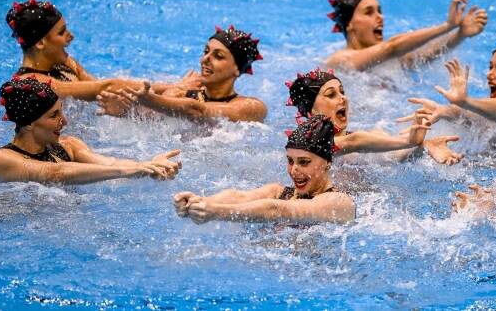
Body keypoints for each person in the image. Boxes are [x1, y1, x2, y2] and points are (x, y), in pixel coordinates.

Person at [0, 78, 181, 184]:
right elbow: (53, 172)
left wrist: (148, 167)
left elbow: (111, 164)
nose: (65, 120)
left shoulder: (69, 146)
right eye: (54, 116)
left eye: (61, 111)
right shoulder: (0, 159)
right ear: (28, 123)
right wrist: (128, 170)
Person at [173, 115, 356, 224]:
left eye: (304, 162)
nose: (294, 170)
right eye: (290, 161)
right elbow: (239, 197)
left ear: (327, 162)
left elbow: (279, 210)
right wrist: (201, 202)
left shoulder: (338, 202)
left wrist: (215, 212)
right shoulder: (278, 191)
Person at [285, 68, 463, 165]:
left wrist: (424, 145)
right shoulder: (307, 145)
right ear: (310, 113)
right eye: (331, 94)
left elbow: (397, 155)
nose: (343, 98)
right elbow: (353, 142)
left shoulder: (372, 137)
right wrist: (408, 141)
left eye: (342, 91)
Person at [4, 0, 157, 103]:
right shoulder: (31, 84)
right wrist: (172, 88)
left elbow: (100, 87)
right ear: (41, 43)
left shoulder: (66, 63)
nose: (71, 36)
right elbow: (106, 86)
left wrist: (167, 91)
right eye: (61, 32)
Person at [104, 25, 267, 122]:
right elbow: (149, 120)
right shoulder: (179, 95)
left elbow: (198, 110)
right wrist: (123, 111)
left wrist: (149, 99)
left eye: (218, 56)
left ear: (237, 69)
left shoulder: (251, 107)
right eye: (206, 52)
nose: (205, 60)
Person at [325, 0, 488, 71]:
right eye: (369, 12)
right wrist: (446, 26)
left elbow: (426, 55)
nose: (380, 17)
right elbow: (391, 46)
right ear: (349, 25)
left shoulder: (390, 60)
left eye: (379, 11)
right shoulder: (340, 61)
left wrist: (460, 34)